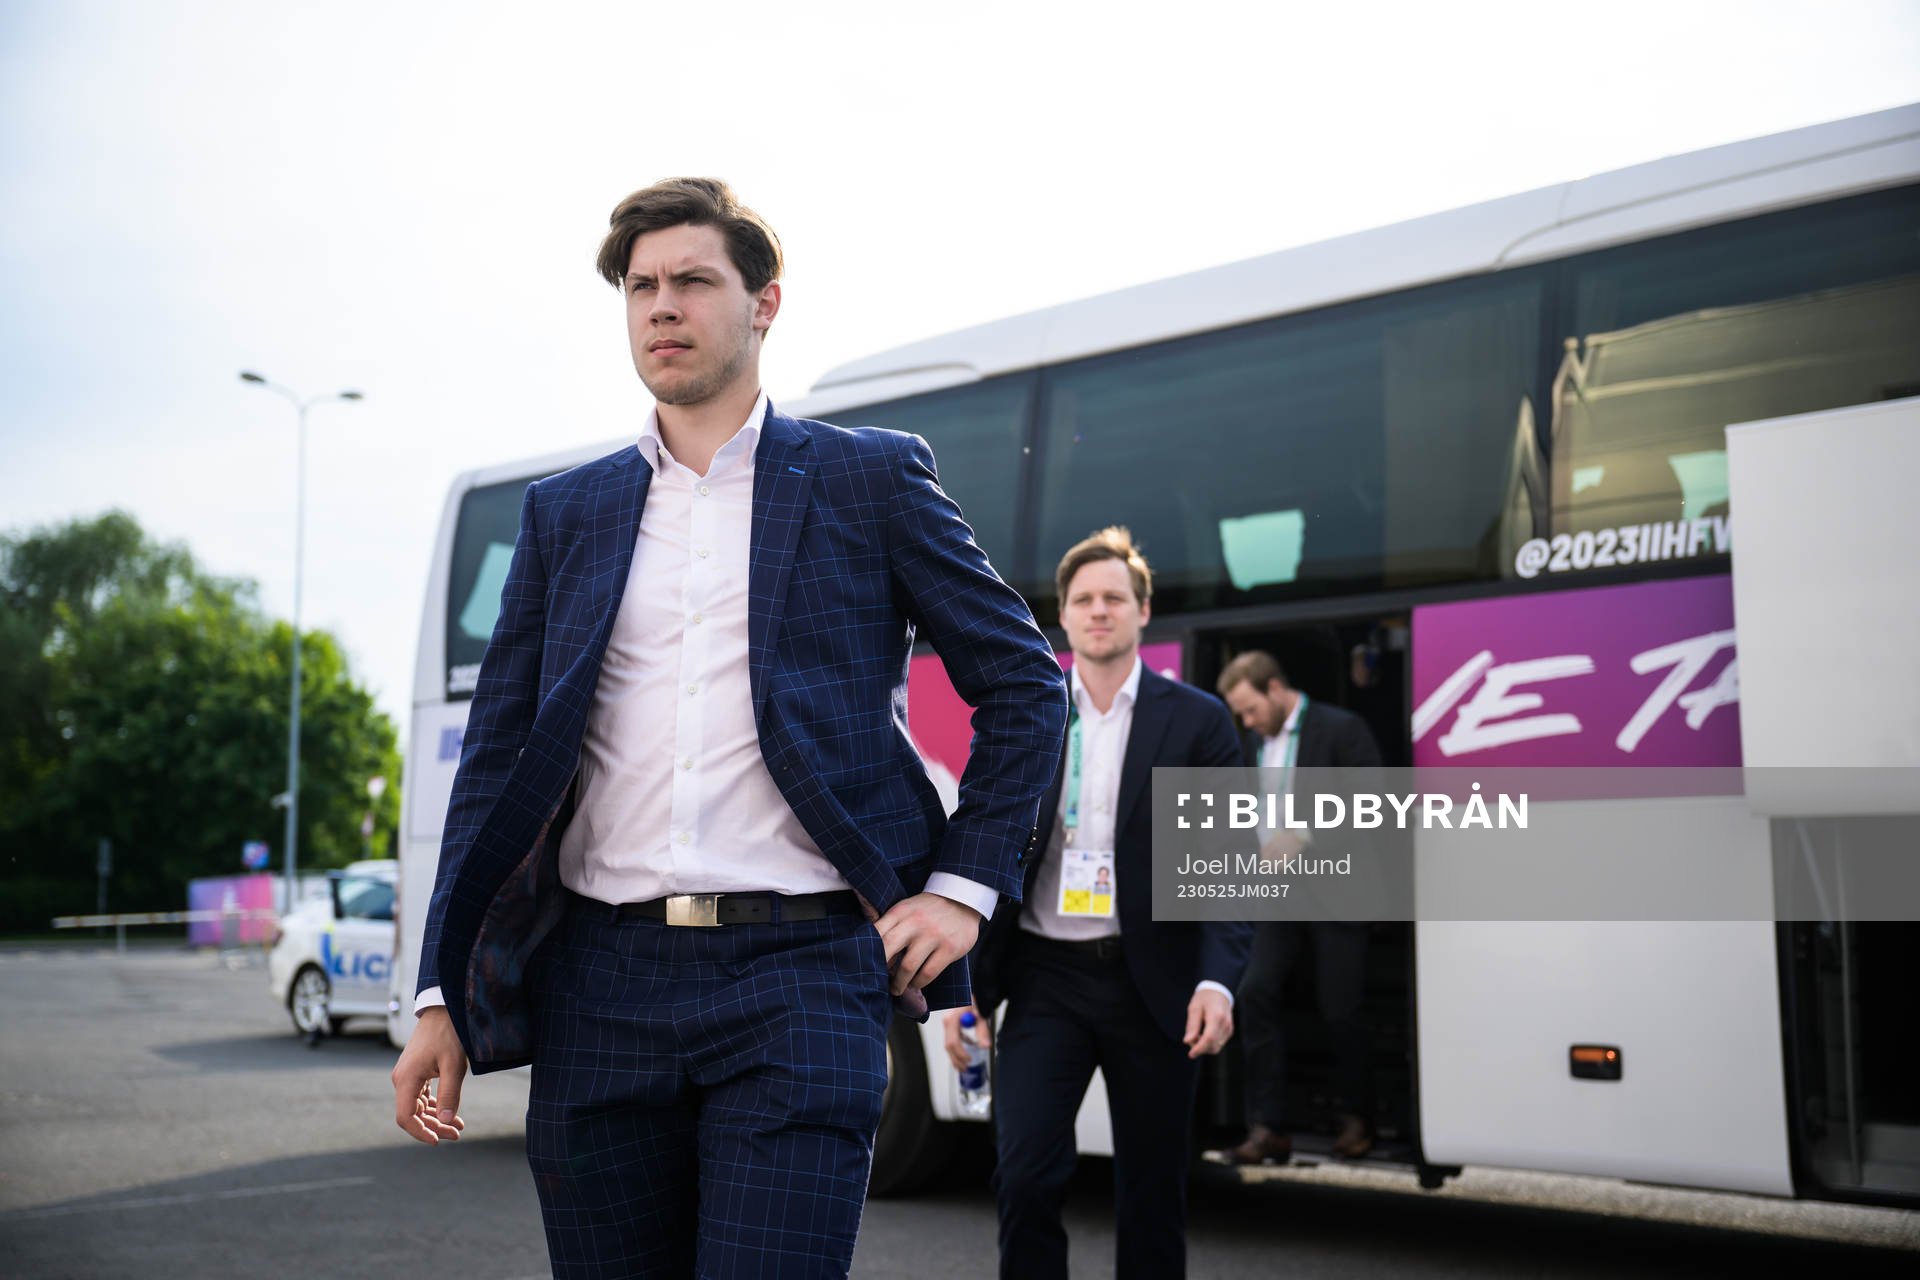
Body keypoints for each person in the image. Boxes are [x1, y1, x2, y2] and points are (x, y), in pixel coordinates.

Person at [389, 177, 1067, 1277]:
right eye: (641, 285)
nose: (662, 304)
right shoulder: (565, 514)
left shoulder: (871, 480)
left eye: (693, 279)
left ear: (765, 303)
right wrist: (440, 991)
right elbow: (499, 766)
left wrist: (963, 885)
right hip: (597, 983)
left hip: (799, 973)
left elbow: (1025, 682)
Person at [951, 527, 1252, 1280]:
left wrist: (1217, 982)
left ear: (1143, 611)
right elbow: (980, 847)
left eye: (1114, 597)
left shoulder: (1199, 722)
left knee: (1152, 1192)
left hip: (1153, 984)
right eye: (1083, 599)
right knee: (1023, 1177)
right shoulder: (1030, 712)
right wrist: (967, 996)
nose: (1098, 610)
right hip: (1046, 978)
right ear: (1064, 617)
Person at [1211, 650, 1384, 1165]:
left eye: (1250, 710)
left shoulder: (1341, 727)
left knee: (1341, 1008)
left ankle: (1359, 1118)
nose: (1246, 722)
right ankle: (1268, 1128)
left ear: (1275, 689)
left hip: (1336, 887)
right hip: (1270, 890)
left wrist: (1304, 833)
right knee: (1254, 991)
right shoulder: (1250, 741)